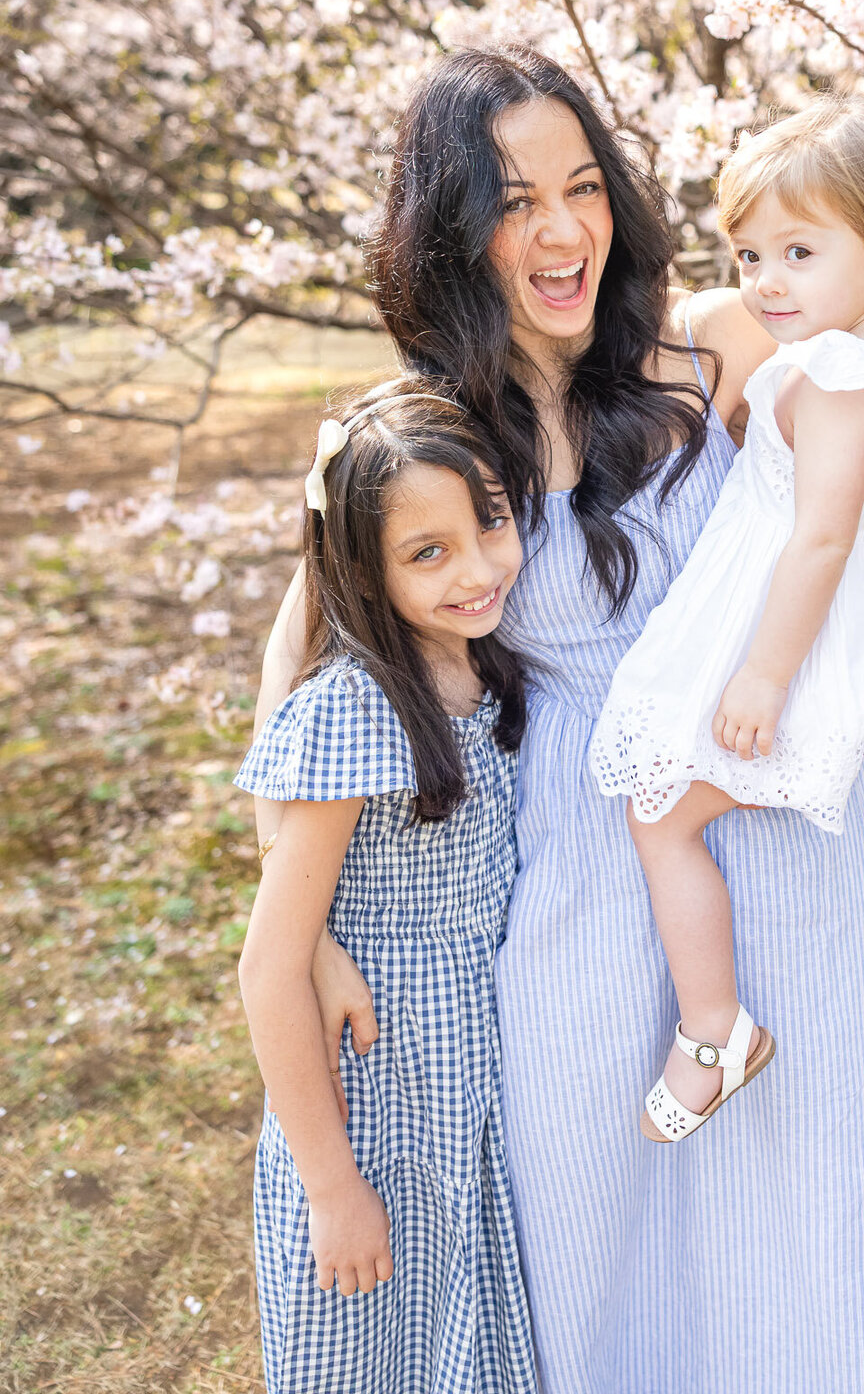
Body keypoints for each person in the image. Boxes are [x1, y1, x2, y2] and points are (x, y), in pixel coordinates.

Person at [255, 45, 864, 1393]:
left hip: (771, 820)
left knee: (828, 1218)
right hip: (577, 863)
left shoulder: (716, 337)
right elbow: (300, 662)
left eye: (585, 187)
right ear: (450, 233)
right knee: (605, 1224)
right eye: (515, 200)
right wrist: (294, 934)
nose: (562, 230)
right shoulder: (415, 433)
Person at [590, 96, 864, 1141]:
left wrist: (759, 678)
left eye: (798, 251)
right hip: (860, 630)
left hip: (797, 631)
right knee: (832, 688)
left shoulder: (838, 378)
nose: (765, 284)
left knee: (661, 818)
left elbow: (823, 542)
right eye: (749, 256)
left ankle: (715, 1032)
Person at [236, 381, 537, 1394]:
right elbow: (269, 970)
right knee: (368, 1353)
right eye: (428, 553)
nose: (478, 566)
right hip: (375, 1102)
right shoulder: (357, 710)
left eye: (488, 522)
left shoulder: (489, 669)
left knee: (466, 1353)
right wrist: (332, 1187)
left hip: (470, 1099)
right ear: (362, 570)